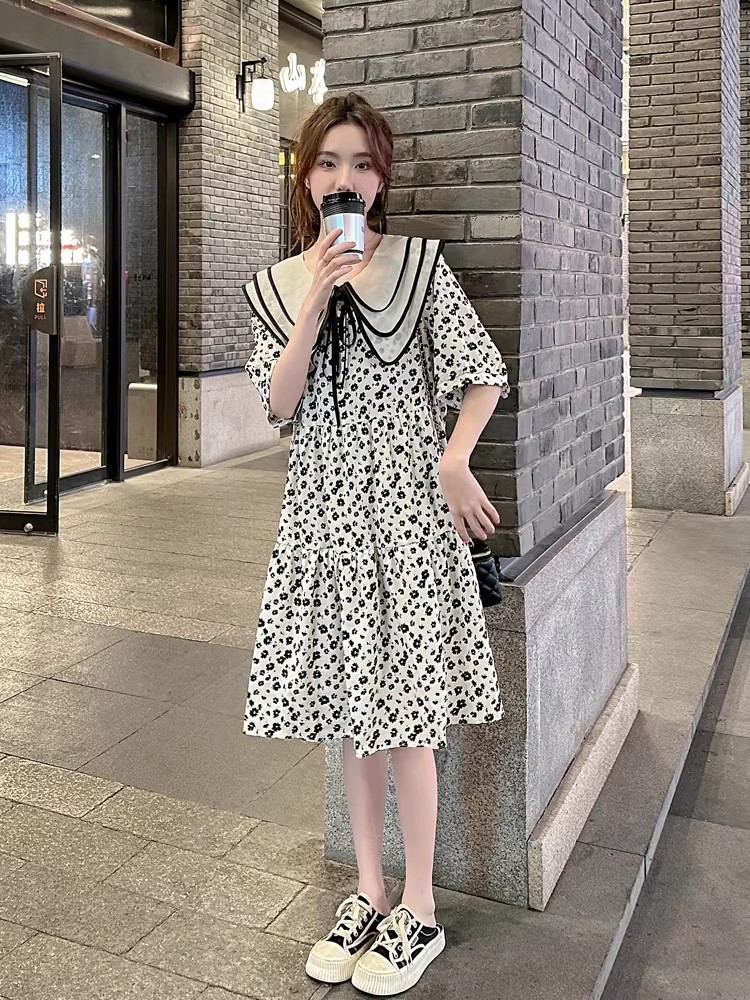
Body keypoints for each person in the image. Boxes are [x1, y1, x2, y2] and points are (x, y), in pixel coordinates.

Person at [242, 93, 509, 997]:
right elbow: (278, 405)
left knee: (408, 725)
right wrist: (316, 294)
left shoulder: (419, 267)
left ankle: (420, 910)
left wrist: (454, 461)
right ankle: (368, 890)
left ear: (381, 178)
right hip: (323, 523)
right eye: (328, 162)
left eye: (360, 163)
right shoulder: (281, 284)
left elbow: (482, 373)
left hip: (405, 520)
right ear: (305, 176)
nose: (344, 178)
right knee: (352, 723)